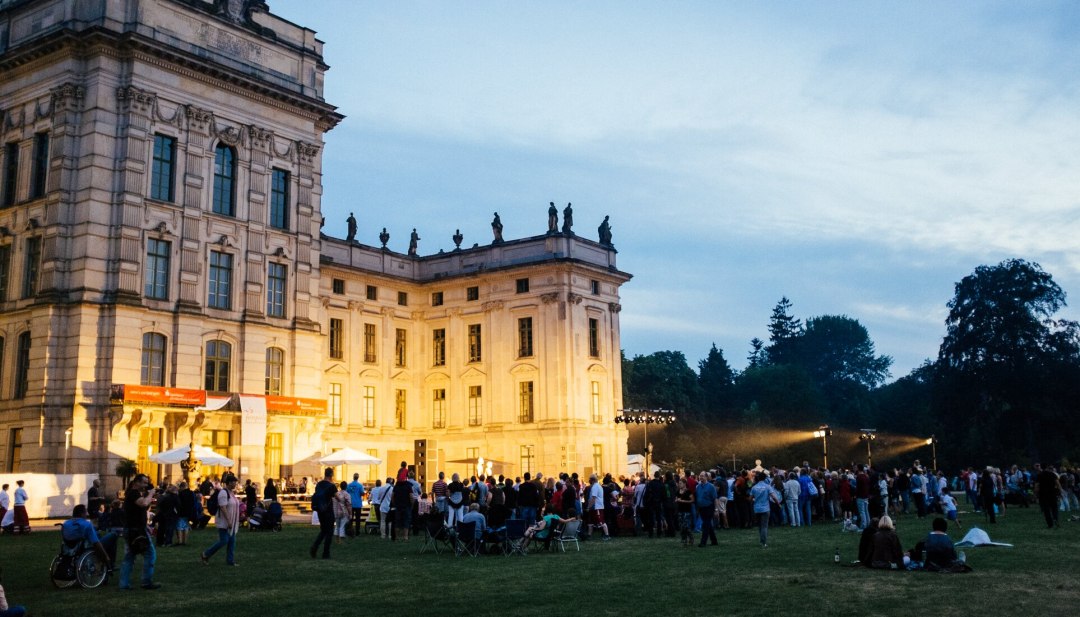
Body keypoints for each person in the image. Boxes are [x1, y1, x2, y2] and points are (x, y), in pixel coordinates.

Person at [119, 474, 161, 590]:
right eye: (144, 482)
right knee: (150, 554)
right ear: (136, 482)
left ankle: (124, 584)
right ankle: (146, 582)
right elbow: (143, 503)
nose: (146, 485)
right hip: (135, 531)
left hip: (135, 528)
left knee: (129, 556)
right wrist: (151, 493)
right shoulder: (133, 493)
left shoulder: (133, 493)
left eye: (147, 483)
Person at [61, 504, 116, 571]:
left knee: (97, 533)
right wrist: (106, 556)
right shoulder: (86, 524)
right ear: (82, 514)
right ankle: (111, 564)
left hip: (71, 548)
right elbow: (96, 543)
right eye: (85, 512)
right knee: (113, 535)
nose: (86, 514)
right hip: (87, 547)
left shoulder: (66, 523)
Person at [201, 473, 239, 566]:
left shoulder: (231, 493)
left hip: (232, 521)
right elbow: (223, 507)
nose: (235, 484)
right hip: (224, 521)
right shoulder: (223, 493)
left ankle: (230, 560)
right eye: (234, 482)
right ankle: (206, 554)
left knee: (232, 541)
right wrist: (228, 521)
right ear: (229, 483)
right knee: (224, 540)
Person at [309, 468, 337, 559]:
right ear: (331, 475)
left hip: (320, 510)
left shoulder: (319, 484)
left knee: (324, 530)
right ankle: (326, 553)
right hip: (328, 511)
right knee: (329, 532)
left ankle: (315, 546)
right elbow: (338, 497)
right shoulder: (332, 486)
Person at [749, 471, 780, 548]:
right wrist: (778, 504)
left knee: (760, 526)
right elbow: (773, 497)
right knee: (764, 526)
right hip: (765, 509)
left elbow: (750, 498)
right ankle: (764, 542)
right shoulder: (767, 486)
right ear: (765, 478)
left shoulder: (754, 487)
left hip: (757, 509)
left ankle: (761, 540)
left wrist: (754, 500)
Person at [695, 472, 718, 547]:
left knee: (705, 525)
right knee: (708, 525)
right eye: (700, 476)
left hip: (709, 507)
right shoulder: (698, 487)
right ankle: (714, 541)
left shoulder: (711, 487)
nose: (700, 477)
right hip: (701, 508)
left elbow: (715, 499)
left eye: (702, 476)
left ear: (706, 477)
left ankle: (703, 542)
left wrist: (716, 509)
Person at [1035, 463, 1062, 529]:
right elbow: (1057, 483)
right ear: (1047, 467)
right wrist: (1060, 491)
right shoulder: (1052, 474)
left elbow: (1037, 486)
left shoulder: (1039, 475)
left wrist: (1036, 493)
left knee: (1046, 510)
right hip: (1052, 493)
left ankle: (1050, 524)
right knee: (1054, 508)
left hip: (1043, 494)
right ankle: (1055, 518)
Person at [392, 474, 415, 541]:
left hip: (398, 506)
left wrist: (395, 504)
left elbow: (392, 496)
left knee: (397, 522)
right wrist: (412, 504)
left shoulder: (396, 486)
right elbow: (411, 496)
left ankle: (397, 537)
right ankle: (405, 537)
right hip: (407, 506)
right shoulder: (408, 485)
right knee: (406, 522)